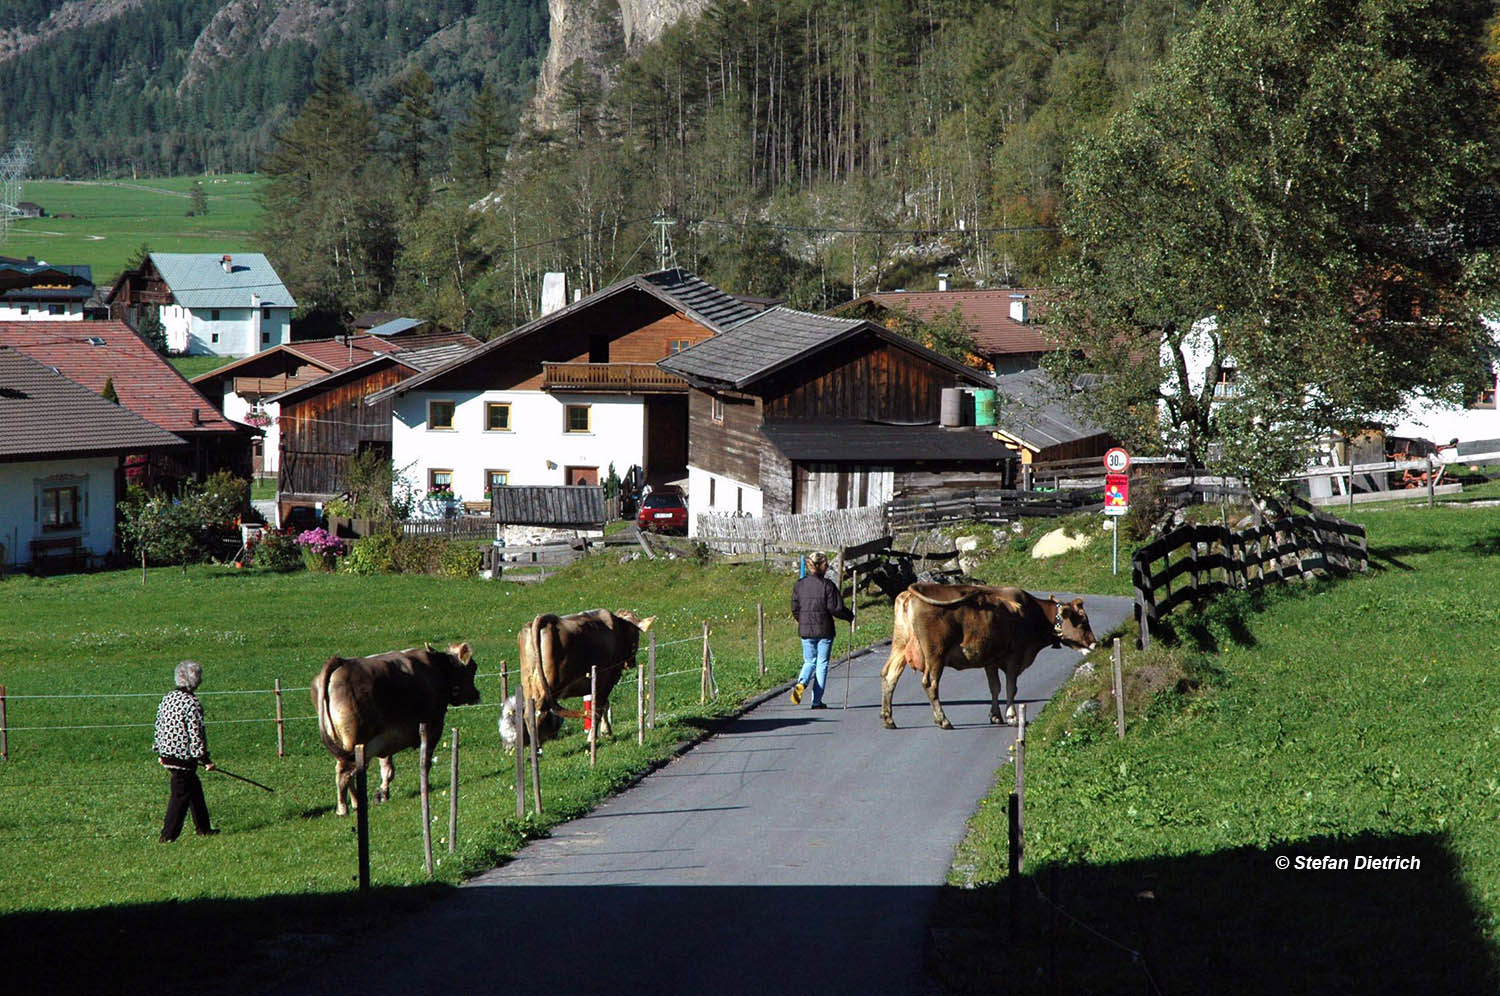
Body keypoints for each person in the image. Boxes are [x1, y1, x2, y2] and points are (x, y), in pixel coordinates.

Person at [153, 660, 218, 842]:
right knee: (179, 797)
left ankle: (203, 828)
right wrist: (206, 760)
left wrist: (159, 752)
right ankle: (167, 836)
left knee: (193, 788)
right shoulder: (192, 703)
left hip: (167, 754)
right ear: (195, 679)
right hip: (183, 759)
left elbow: (159, 725)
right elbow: (196, 734)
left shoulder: (168, 698)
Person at [790, 551, 853, 709]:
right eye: (826, 564)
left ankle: (801, 682)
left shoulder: (799, 585)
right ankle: (816, 701)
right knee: (822, 663)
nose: (827, 566)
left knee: (809, 661)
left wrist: (802, 620)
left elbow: (795, 608)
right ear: (821, 566)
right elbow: (835, 608)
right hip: (824, 630)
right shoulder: (827, 585)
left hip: (805, 630)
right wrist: (849, 616)